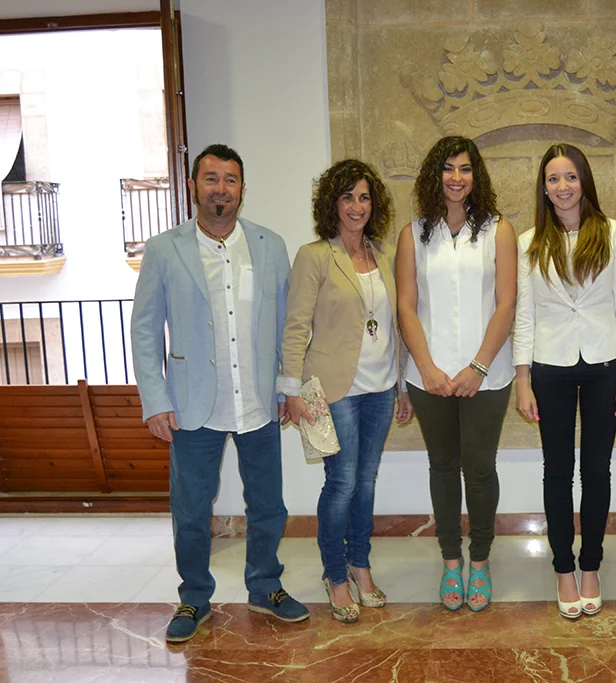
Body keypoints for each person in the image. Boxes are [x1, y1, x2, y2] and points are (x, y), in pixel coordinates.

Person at [132, 144, 309, 643]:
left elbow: (287, 324)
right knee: (190, 508)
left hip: (257, 399)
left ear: (242, 190)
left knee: (268, 504)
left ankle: (265, 585)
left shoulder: (269, 245)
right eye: (210, 179)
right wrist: (155, 399)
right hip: (190, 404)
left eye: (230, 180)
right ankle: (193, 596)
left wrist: (285, 385)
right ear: (193, 187)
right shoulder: (165, 249)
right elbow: (145, 330)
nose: (220, 189)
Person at [279, 159, 413, 624]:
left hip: (379, 388)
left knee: (367, 481)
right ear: (330, 204)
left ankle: (360, 562)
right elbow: (295, 326)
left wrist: (403, 386)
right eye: (347, 197)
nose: (357, 206)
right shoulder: (314, 255)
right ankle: (336, 575)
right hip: (331, 390)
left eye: (364, 197)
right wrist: (289, 389)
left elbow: (396, 325)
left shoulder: (386, 253)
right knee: (341, 483)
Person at [513, 143, 616, 620]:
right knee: (557, 471)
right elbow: (524, 316)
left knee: (597, 471)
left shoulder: (612, 233)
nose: (561, 187)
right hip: (550, 366)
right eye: (552, 179)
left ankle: (591, 565)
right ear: (543, 187)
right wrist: (522, 379)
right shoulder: (529, 242)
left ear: (584, 181)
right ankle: (563, 568)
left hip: (605, 363)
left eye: (569, 177)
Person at [395, 135, 516, 612]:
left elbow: (507, 303)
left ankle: (480, 561)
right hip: (429, 377)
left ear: (476, 176)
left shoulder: (498, 230)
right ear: (435, 175)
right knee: (443, 467)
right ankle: (451, 561)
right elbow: (406, 306)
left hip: (488, 374)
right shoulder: (413, 233)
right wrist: (426, 368)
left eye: (465, 169)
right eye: (448, 168)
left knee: (480, 468)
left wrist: (478, 367)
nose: (456, 177)